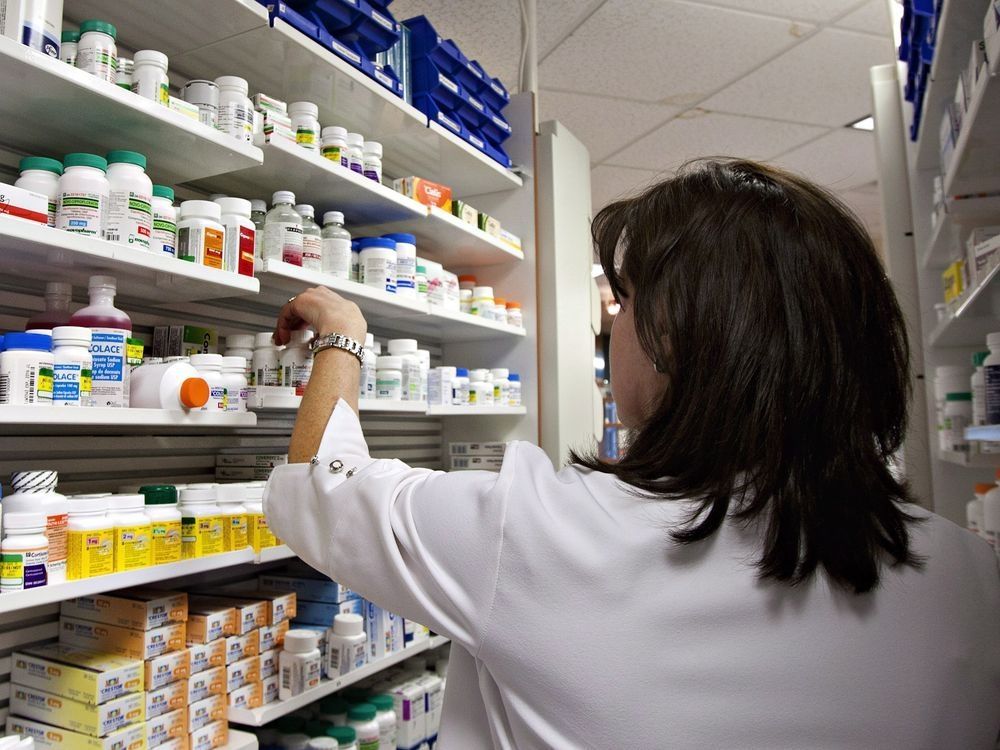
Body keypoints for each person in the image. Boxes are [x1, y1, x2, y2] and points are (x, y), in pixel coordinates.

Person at [265, 159, 1000, 749]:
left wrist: (341, 331)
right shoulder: (975, 579)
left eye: (623, 304)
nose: (612, 330)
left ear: (676, 338)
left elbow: (320, 487)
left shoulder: (537, 534)